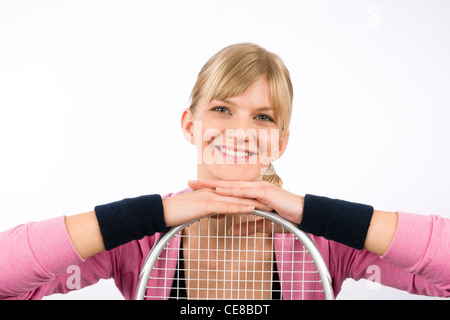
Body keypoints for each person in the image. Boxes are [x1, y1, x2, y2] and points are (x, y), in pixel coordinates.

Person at [0, 43, 449, 300]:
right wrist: (151, 213)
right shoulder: (139, 242)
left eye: (263, 117)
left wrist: (313, 211)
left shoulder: (327, 243)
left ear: (283, 140)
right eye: (222, 108)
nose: (240, 130)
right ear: (190, 125)